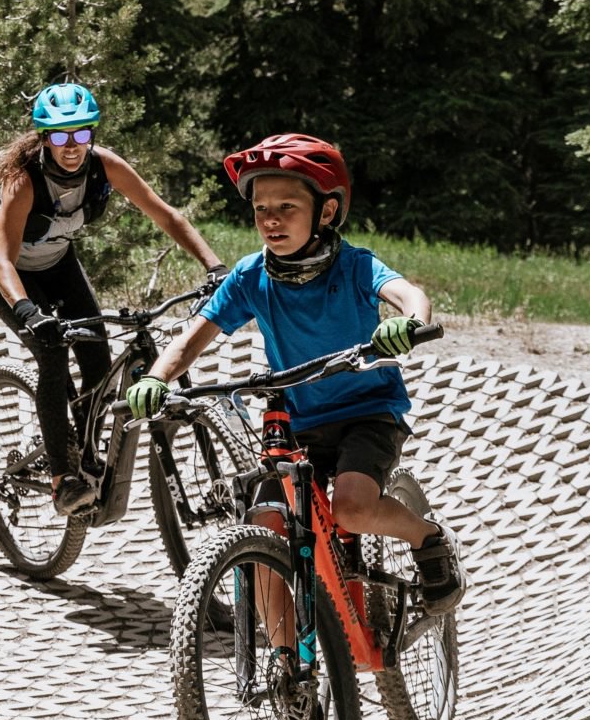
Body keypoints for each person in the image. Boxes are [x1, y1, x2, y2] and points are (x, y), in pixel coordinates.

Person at [124, 133, 466, 617]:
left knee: (352, 508)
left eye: (287, 206)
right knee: (263, 529)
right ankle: (286, 663)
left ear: (326, 212)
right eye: (261, 208)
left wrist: (408, 323)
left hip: (368, 413)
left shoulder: (354, 265)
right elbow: (191, 340)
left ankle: (428, 538)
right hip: (299, 423)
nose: (271, 219)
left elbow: (409, 295)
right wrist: (156, 378)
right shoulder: (249, 276)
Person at [0, 83, 228, 517]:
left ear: (92, 133)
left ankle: (86, 448)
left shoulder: (104, 166)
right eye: (60, 136)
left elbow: (166, 215)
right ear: (43, 138)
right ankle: (63, 480)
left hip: (58, 263)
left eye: (81, 133)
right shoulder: (23, 179)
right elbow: (2, 261)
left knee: (98, 360)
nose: (71, 146)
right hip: (9, 274)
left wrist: (215, 266)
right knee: (52, 356)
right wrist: (28, 312)